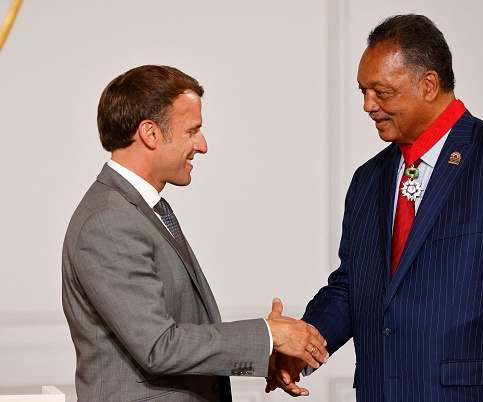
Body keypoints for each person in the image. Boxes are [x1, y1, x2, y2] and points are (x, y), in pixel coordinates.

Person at [267, 14, 483, 401]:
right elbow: (351, 287)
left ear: (429, 84)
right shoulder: (367, 179)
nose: (367, 105)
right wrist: (298, 347)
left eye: (382, 92)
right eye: (363, 91)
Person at [61, 65, 328, 402]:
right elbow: (158, 346)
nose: (202, 145)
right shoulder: (109, 221)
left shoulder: (142, 210)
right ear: (150, 133)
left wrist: (268, 350)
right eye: (192, 131)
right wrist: (268, 336)